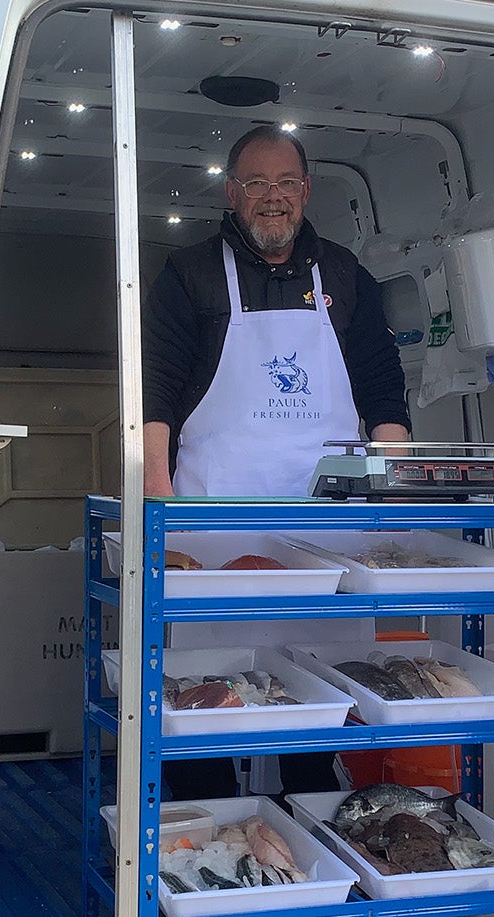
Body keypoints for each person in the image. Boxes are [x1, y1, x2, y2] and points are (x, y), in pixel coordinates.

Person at [142, 126, 411, 798]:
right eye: (256, 184)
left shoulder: (347, 276)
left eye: (286, 184)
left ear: (305, 191)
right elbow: (156, 389)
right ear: (232, 193)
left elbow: (383, 387)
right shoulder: (189, 274)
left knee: (319, 690)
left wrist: (398, 486)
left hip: (325, 533)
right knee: (200, 688)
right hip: (212, 524)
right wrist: (155, 494)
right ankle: (210, 826)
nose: (272, 198)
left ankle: (312, 832)